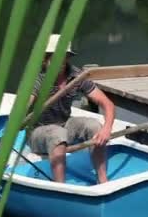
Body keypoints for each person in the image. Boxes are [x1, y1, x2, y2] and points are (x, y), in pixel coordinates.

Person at [27, 34, 115, 184]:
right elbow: (24, 104)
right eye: (54, 57)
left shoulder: (76, 76)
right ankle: (60, 187)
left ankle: (103, 181)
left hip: (65, 124)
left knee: (94, 126)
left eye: (64, 57)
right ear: (45, 59)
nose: (60, 61)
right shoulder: (38, 78)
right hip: (38, 132)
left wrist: (107, 128)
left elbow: (108, 104)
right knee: (57, 133)